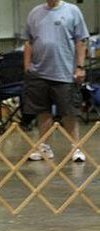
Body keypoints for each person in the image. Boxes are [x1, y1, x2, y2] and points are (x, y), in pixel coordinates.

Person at [23, 0, 89, 162]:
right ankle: (43, 146)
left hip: (65, 73)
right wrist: (27, 66)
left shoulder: (73, 11)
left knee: (69, 113)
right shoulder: (35, 13)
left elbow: (80, 41)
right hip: (39, 73)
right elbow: (28, 42)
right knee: (42, 112)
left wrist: (80, 67)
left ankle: (76, 148)